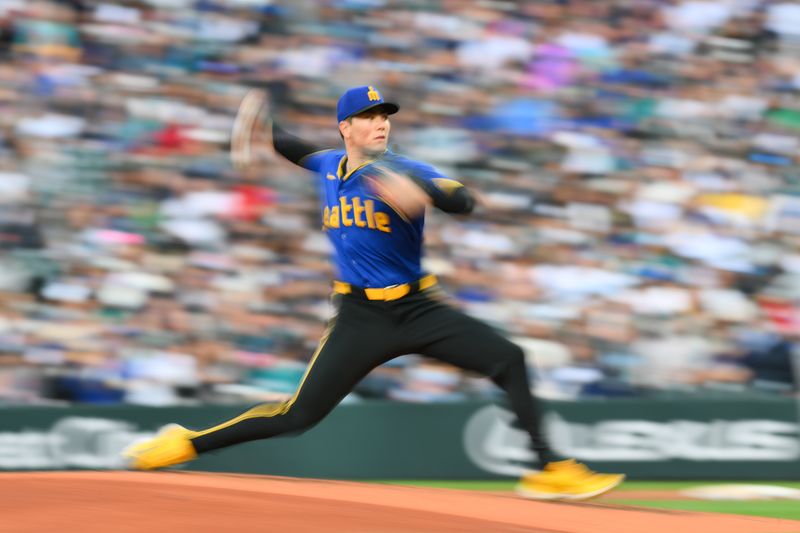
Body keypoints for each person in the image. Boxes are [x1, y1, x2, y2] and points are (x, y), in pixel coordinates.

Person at [123, 85, 624, 500]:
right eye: (368, 116)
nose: (381, 123)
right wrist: (264, 126)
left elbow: (462, 199)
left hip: (418, 307)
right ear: (346, 128)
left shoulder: (402, 171)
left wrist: (426, 194)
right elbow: (292, 146)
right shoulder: (328, 166)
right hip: (359, 317)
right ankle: (186, 444)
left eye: (384, 115)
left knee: (509, 357)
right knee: (297, 416)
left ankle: (550, 469)